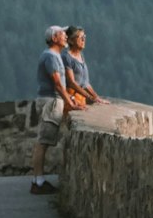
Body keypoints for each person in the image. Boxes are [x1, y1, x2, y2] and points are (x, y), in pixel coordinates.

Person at [31, 23, 83, 194]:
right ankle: (38, 182)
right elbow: (58, 84)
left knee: (43, 142)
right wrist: (70, 101)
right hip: (51, 101)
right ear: (54, 38)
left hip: (51, 100)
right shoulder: (51, 57)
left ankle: (38, 180)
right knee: (43, 142)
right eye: (62, 34)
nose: (66, 37)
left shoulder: (53, 55)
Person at [62, 25, 108, 106]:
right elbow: (72, 82)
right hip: (71, 99)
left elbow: (85, 83)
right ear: (71, 41)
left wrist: (96, 97)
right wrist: (89, 97)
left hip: (81, 99)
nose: (83, 39)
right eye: (80, 37)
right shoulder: (66, 57)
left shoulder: (81, 55)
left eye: (84, 36)